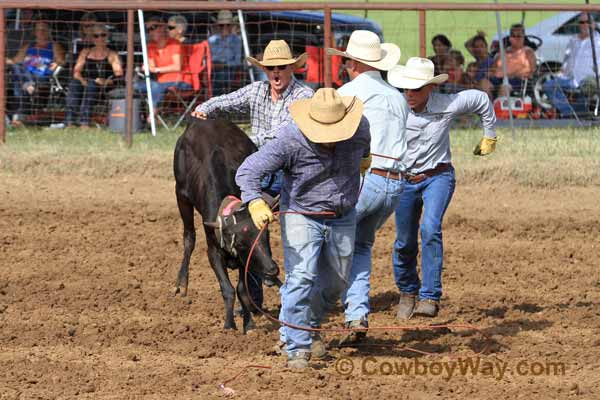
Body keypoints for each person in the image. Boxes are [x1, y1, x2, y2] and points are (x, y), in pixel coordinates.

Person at [235, 88, 371, 369]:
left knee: (336, 282)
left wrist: (364, 159)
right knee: (301, 277)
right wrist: (255, 201)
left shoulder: (360, 128)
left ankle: (302, 328)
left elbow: (365, 150)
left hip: (342, 213)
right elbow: (248, 170)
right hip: (301, 214)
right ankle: (298, 346)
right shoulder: (290, 138)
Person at [192, 39, 313, 313]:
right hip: (257, 174)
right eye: (271, 68)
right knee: (248, 231)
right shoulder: (257, 91)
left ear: (292, 68)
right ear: (264, 70)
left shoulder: (303, 97)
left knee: (291, 235)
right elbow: (226, 102)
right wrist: (205, 109)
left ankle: (296, 300)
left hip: (289, 174)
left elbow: (283, 137)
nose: (276, 73)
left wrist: (240, 141)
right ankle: (254, 298)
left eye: (281, 67)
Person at [387, 57, 497, 319]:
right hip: (404, 179)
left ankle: (429, 296)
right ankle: (407, 291)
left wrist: (490, 135)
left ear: (430, 88)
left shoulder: (447, 104)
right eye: (407, 89)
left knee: (430, 227)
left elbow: (481, 99)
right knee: (404, 241)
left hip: (438, 176)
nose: (410, 94)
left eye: (417, 89)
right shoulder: (394, 109)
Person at [324, 30, 408, 343]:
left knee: (325, 241)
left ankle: (306, 318)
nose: (345, 65)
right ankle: (356, 314)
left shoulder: (350, 91)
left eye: (346, 61)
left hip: (365, 179)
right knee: (359, 245)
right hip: (394, 184)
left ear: (354, 63)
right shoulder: (397, 96)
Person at [6, 20, 65, 126]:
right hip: (26, 74)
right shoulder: (28, 46)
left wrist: (33, 62)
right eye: (38, 29)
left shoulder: (54, 46)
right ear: (34, 32)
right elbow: (15, 61)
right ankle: (28, 84)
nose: (41, 32)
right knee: (16, 68)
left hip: (42, 75)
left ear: (49, 31)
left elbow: (60, 61)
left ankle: (19, 115)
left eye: (44, 29)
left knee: (19, 77)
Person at [542, 13, 600, 118]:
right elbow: (566, 61)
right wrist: (561, 73)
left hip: (590, 80)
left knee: (587, 88)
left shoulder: (598, 41)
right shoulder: (573, 40)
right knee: (549, 85)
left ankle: (580, 114)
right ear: (579, 24)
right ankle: (569, 113)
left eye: (588, 22)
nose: (585, 25)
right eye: (582, 22)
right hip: (570, 79)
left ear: (594, 24)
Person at [66, 24, 123, 128]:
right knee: (74, 84)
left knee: (92, 85)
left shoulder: (112, 54)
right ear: (92, 38)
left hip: (103, 86)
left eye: (103, 35)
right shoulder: (85, 52)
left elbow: (119, 76)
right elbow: (76, 72)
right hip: (85, 82)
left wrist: (105, 81)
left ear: (107, 36)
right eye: (96, 36)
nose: (100, 38)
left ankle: (84, 122)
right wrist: (82, 80)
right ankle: (70, 121)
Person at [134, 16, 192, 116]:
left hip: (180, 81)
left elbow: (177, 67)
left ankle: (152, 116)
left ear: (162, 27)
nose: (151, 32)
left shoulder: (174, 44)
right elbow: (150, 66)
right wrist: (147, 67)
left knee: (155, 86)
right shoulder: (150, 46)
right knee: (134, 86)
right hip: (160, 83)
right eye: (148, 29)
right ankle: (137, 116)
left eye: (154, 27)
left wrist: (156, 69)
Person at [491, 23, 537, 97]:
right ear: (509, 37)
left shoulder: (528, 52)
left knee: (504, 87)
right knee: (483, 84)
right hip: (497, 80)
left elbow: (532, 72)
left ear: (523, 37)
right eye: (513, 35)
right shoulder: (501, 53)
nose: (516, 38)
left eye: (518, 36)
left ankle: (499, 107)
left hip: (517, 82)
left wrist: (511, 74)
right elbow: (492, 71)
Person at [208, 10, 243, 96]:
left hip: (228, 68)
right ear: (217, 26)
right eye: (221, 25)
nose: (224, 28)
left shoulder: (237, 40)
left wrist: (224, 65)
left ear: (232, 26)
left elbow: (237, 62)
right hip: (212, 67)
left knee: (221, 76)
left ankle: (216, 102)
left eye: (227, 25)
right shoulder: (211, 40)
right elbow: (207, 57)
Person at [464, 32, 494, 97]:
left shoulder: (491, 61)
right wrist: (477, 36)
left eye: (481, 46)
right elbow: (467, 44)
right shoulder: (477, 58)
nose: (479, 49)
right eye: (476, 47)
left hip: (486, 87)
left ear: (486, 47)